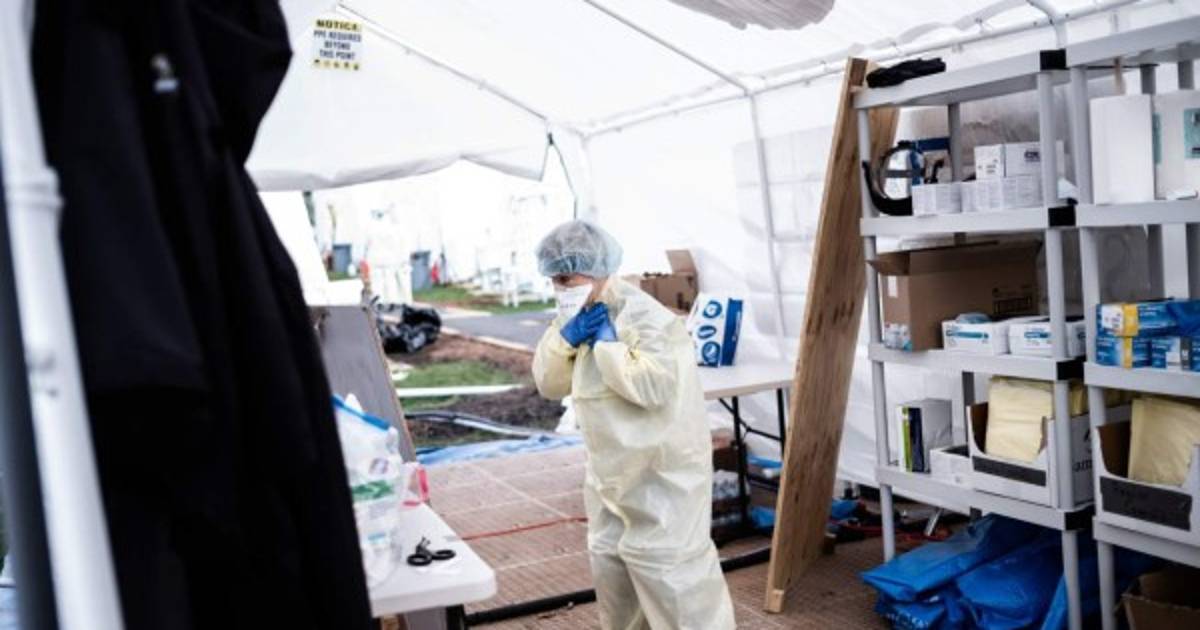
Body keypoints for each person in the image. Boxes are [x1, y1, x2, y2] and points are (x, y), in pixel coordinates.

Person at [532, 220, 735, 630]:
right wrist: (565, 340)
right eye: (553, 279)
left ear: (597, 268)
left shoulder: (647, 319)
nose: (559, 287)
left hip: (662, 475)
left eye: (566, 277)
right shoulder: (574, 315)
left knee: (674, 577)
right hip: (610, 478)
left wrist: (608, 345)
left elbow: (653, 387)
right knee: (615, 575)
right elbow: (549, 384)